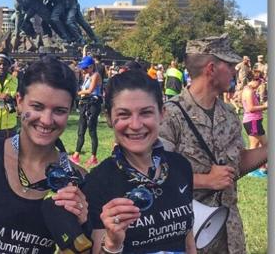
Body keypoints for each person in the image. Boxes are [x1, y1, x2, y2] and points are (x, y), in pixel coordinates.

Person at [0, 56, 90, 254]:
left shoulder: (77, 180)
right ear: (19, 102)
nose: (46, 120)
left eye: (59, 110)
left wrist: (81, 227)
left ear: (70, 111)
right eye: (37, 107)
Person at [158, 36, 268, 254]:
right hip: (187, 235)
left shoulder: (228, 114)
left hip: (229, 234)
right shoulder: (169, 114)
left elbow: (237, 163)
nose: (234, 71)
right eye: (229, 65)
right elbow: (153, 175)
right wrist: (205, 180)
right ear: (211, 69)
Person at [83, 70, 196, 254]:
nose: (135, 125)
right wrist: (112, 244)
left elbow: (188, 240)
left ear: (162, 114)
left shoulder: (180, 166)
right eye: (124, 114)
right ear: (109, 118)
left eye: (146, 113)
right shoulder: (97, 182)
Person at [72, 55, 103, 165]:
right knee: (81, 130)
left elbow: (90, 90)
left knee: (91, 130)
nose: (83, 70)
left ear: (91, 67)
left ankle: (93, 157)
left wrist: (77, 93)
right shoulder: (86, 76)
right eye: (82, 68)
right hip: (84, 103)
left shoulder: (96, 75)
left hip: (93, 104)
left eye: (85, 68)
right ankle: (76, 155)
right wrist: (81, 96)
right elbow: (84, 89)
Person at [239, 75, 266, 156]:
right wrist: (265, 106)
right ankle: (248, 163)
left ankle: (262, 163)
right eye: (260, 82)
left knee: (265, 145)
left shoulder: (249, 90)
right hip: (252, 121)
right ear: (254, 80)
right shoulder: (248, 92)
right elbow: (250, 108)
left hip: (255, 121)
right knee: (254, 146)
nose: (259, 85)